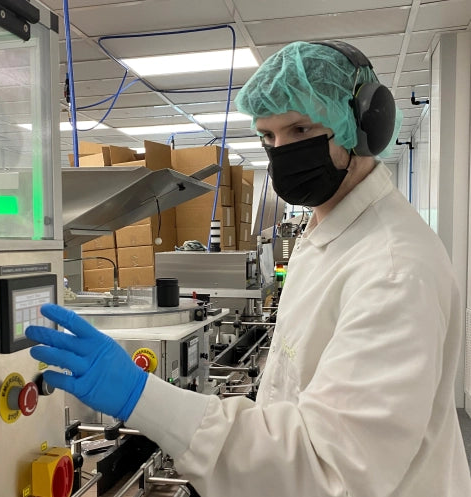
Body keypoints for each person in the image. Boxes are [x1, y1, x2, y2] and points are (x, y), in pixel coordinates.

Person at [26, 40, 471, 497]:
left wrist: (142, 396)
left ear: (363, 125)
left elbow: (324, 470)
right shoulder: (329, 235)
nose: (283, 152)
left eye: (300, 129)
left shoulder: (393, 268)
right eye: (268, 137)